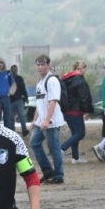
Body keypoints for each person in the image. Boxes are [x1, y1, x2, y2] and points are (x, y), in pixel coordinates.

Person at [30, 55, 65, 184]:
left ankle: (58, 175)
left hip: (51, 121)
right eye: (38, 65)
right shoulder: (39, 82)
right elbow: (39, 103)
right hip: (41, 121)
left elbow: (53, 101)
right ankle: (48, 171)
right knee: (34, 143)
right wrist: (35, 120)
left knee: (54, 148)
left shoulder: (52, 80)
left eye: (43, 64)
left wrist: (47, 120)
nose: (40, 67)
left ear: (48, 65)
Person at [60, 61, 94, 164]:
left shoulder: (65, 79)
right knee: (80, 133)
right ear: (81, 68)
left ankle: (75, 158)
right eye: (85, 68)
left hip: (66, 110)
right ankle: (62, 148)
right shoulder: (80, 80)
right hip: (76, 110)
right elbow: (84, 96)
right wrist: (87, 110)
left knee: (75, 133)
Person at [9, 64, 29, 136]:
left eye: (16, 69)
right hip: (10, 100)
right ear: (11, 70)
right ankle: (12, 131)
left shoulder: (20, 78)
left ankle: (24, 129)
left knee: (22, 115)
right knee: (11, 117)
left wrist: (26, 97)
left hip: (19, 99)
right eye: (13, 69)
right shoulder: (8, 79)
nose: (15, 70)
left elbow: (23, 88)